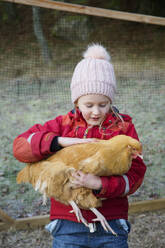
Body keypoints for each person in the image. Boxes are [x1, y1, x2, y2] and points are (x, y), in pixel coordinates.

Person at [13, 44, 146, 248]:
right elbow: (20, 147)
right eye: (88, 105)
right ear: (76, 103)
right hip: (68, 224)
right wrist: (60, 141)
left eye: (103, 105)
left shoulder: (124, 129)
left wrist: (100, 184)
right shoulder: (62, 125)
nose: (96, 112)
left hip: (111, 222)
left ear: (111, 101)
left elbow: (136, 176)